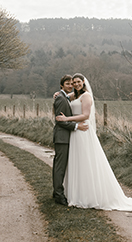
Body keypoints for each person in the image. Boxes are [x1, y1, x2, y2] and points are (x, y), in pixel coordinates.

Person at [55, 73, 132, 211]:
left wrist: (67, 119)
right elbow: (64, 96)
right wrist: (56, 94)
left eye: (78, 82)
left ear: (83, 82)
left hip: (83, 130)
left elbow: (85, 115)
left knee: (86, 161)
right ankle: (76, 193)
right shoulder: (74, 96)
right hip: (75, 132)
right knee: (76, 162)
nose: (75, 84)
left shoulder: (86, 96)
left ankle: (89, 195)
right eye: (73, 82)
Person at [53, 74, 88, 206]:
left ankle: (57, 192)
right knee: (60, 167)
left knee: (61, 166)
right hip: (62, 137)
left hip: (67, 137)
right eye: (67, 84)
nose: (71, 86)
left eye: (71, 83)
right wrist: (76, 126)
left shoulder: (66, 97)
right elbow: (60, 120)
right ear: (61, 85)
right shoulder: (61, 98)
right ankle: (58, 195)